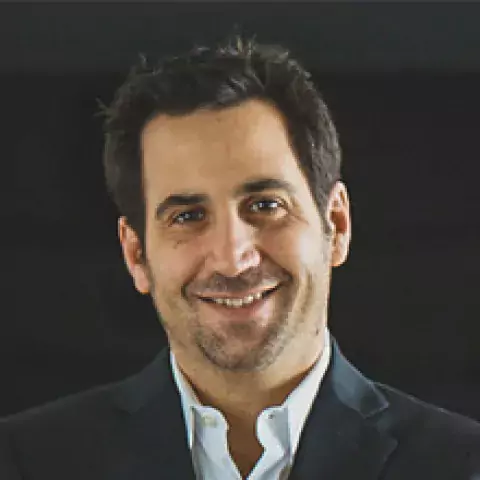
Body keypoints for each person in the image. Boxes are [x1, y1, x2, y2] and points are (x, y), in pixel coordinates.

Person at [1, 35, 479, 480]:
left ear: (336, 224)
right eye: (187, 216)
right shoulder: (25, 461)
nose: (232, 259)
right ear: (136, 255)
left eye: (265, 206)